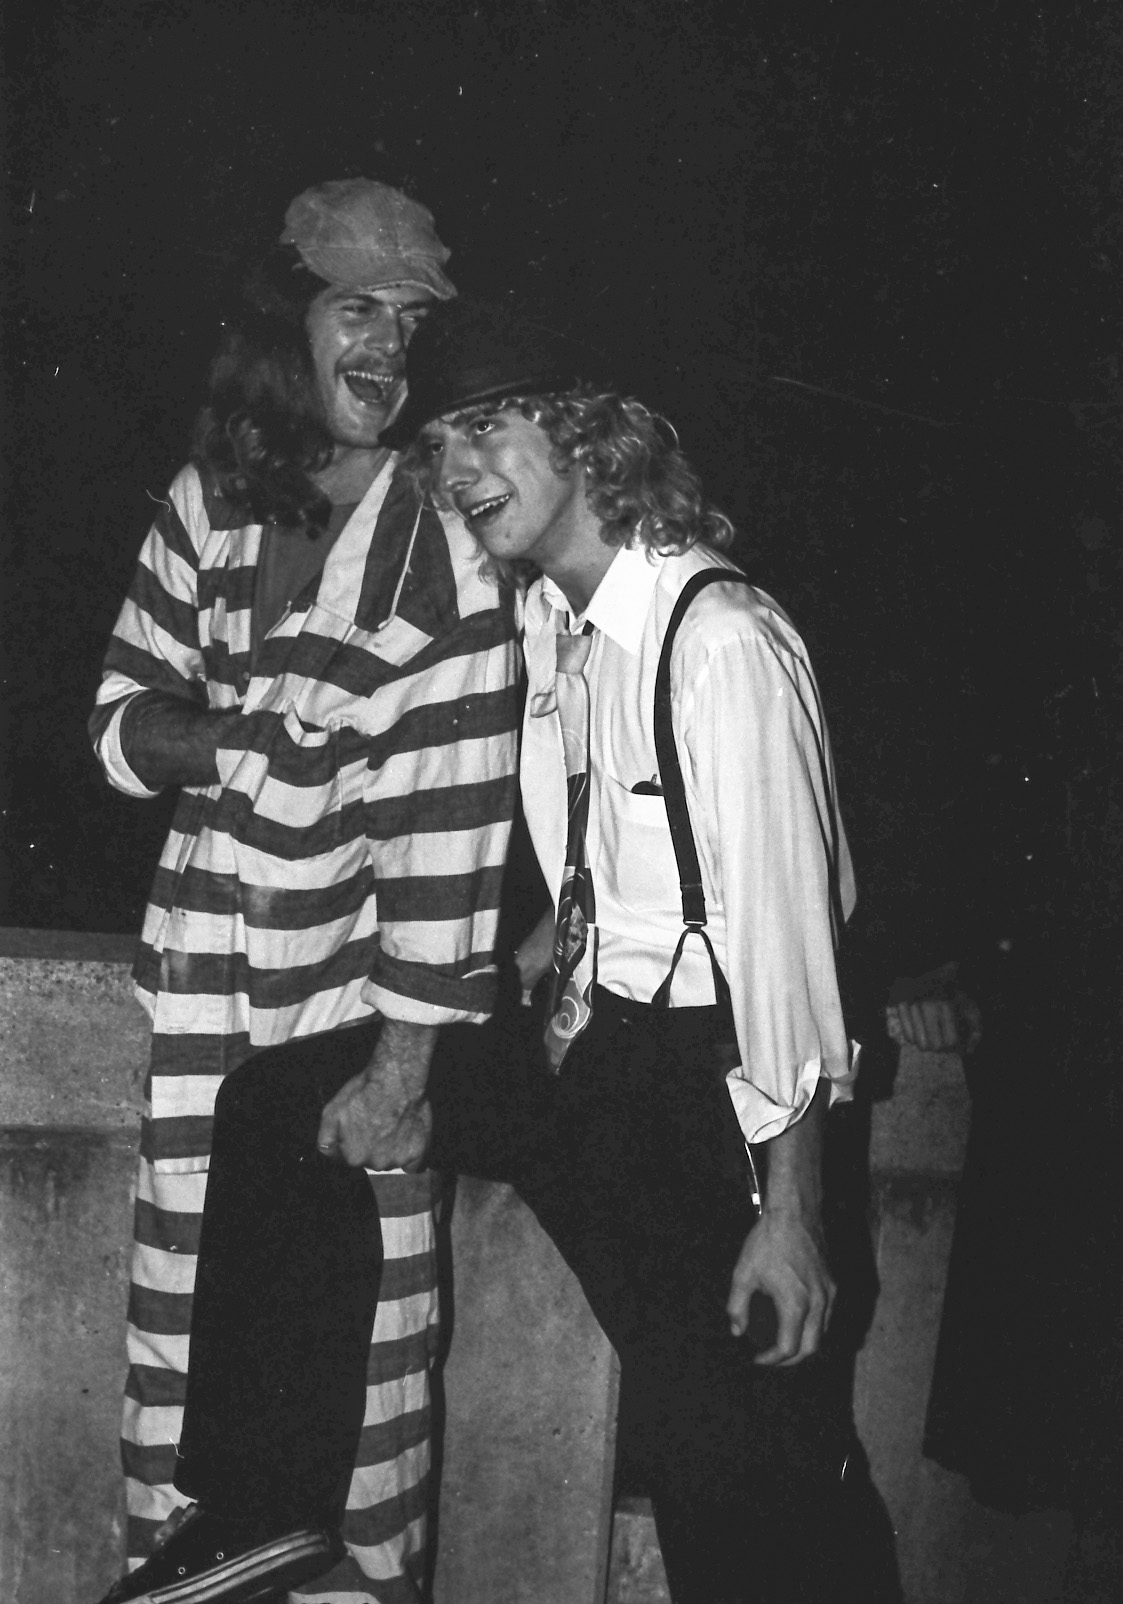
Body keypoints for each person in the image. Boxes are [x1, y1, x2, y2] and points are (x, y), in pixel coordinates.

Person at [386, 298, 902, 1604]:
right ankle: (260, 1507)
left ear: (587, 436)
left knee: (758, 1477)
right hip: (602, 1061)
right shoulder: (556, 624)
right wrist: (516, 965)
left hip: (717, 1098)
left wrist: (791, 1216)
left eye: (488, 429)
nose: (456, 469)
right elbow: (609, 865)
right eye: (440, 442)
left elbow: (786, 952)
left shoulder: (720, 641)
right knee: (309, 1091)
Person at [87, 183, 520, 1604]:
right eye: (358, 309)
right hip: (202, 1012)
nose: (389, 346)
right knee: (180, 1362)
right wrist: (237, 738)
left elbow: (454, 837)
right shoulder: (208, 504)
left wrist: (405, 1070)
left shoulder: (440, 547)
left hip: (352, 1025)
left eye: (411, 321)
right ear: (288, 324)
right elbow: (119, 726)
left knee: (362, 1386)